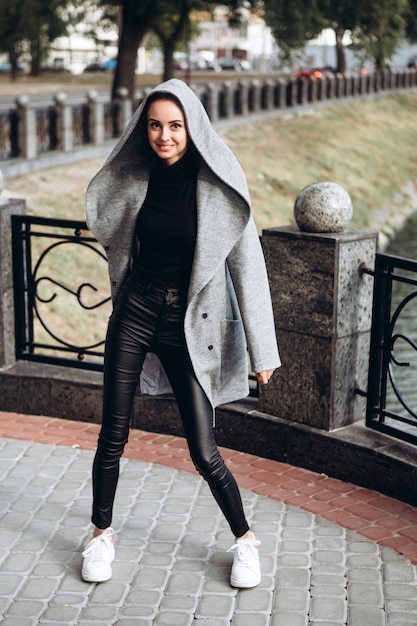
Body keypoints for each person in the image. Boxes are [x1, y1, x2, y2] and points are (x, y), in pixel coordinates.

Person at [82, 78, 280, 588]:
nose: (164, 136)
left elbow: (248, 269)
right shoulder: (138, 175)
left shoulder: (218, 185)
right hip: (135, 311)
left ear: (193, 126)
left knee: (202, 448)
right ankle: (100, 534)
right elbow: (113, 222)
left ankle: (245, 541)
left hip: (190, 323)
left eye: (174, 126)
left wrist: (264, 350)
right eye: (154, 125)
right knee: (113, 434)